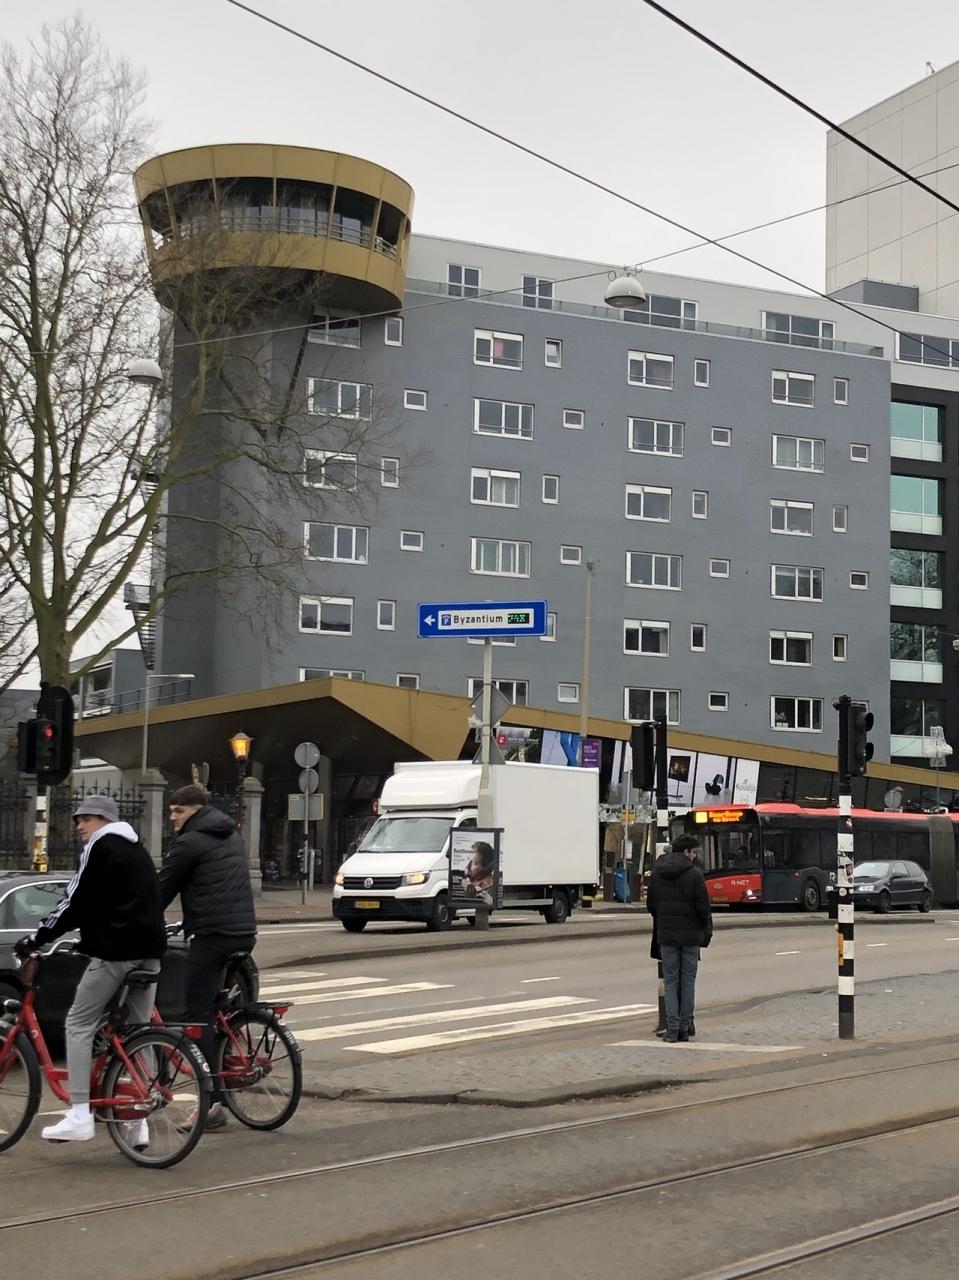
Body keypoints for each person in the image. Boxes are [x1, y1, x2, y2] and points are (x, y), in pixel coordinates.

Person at [19, 795, 165, 1145]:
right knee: (138, 1030)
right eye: (77, 819)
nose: (79, 826)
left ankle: (80, 1113)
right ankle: (138, 1117)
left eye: (87, 818)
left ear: (105, 820)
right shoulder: (137, 850)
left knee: (78, 1022)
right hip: (151, 951)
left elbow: (76, 901)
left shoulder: (101, 846)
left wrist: (38, 937)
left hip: (117, 952)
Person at [158, 784, 256, 1131]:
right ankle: (231, 1043)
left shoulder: (189, 842)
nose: (173, 817)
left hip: (212, 936)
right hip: (243, 933)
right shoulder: (230, 834)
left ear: (196, 809)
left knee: (195, 1019)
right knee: (217, 1012)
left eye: (179, 811)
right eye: (170, 811)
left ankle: (212, 1104)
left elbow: (161, 890)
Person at [646, 834, 712, 1043]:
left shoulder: (657, 874)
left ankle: (672, 1029)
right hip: (691, 936)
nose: (695, 856)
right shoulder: (694, 875)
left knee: (671, 981)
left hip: (667, 935)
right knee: (688, 981)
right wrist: (706, 931)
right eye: (694, 852)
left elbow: (651, 906)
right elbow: (703, 908)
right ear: (686, 852)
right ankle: (685, 1027)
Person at [463, 841, 495, 906]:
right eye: (470, 862)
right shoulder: (469, 880)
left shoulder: (488, 887)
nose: (468, 866)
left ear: (485, 867)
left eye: (475, 863)